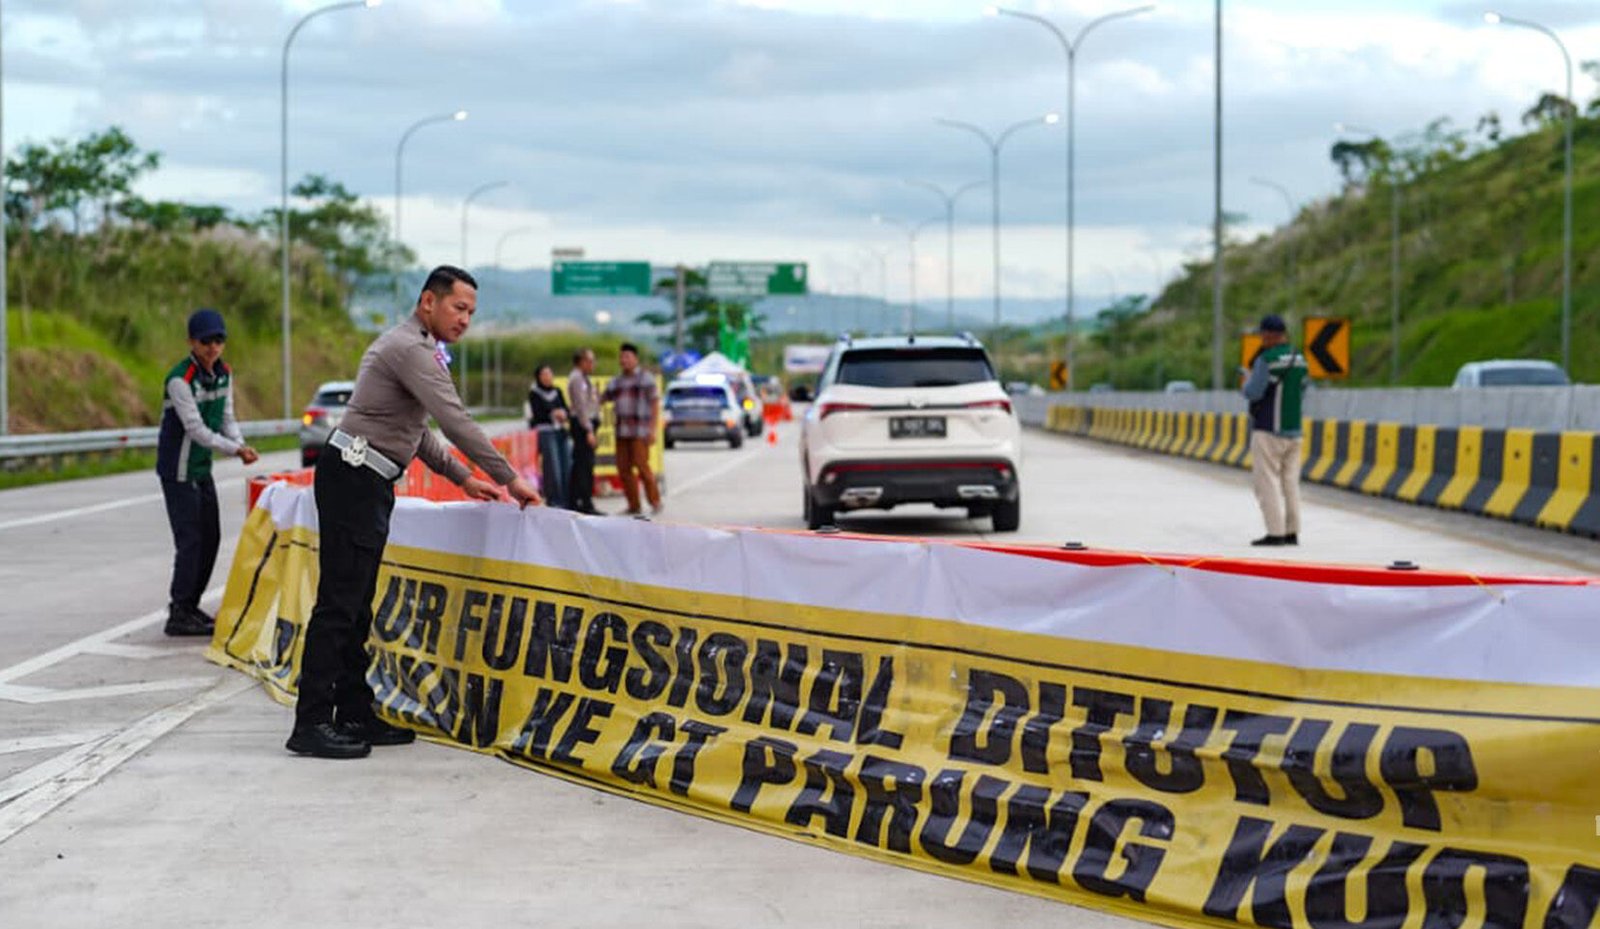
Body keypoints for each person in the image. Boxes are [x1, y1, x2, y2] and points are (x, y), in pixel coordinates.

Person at [287, 265, 542, 760]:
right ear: (429, 302)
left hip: (368, 481)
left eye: (471, 312)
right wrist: (510, 478)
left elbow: (417, 430)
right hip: (353, 478)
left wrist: (462, 477)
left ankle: (354, 711)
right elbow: (455, 420)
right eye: (458, 307)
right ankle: (311, 721)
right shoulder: (410, 349)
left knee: (359, 604)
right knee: (340, 604)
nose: (465, 319)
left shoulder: (419, 349)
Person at [156, 309, 260, 637]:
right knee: (191, 541)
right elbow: (196, 429)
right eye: (205, 341)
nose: (213, 347)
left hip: (202, 468)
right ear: (191, 342)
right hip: (179, 470)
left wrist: (240, 444)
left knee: (211, 538)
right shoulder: (180, 380)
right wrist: (234, 450)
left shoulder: (224, 374)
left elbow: (227, 418)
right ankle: (179, 610)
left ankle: (191, 606)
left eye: (218, 340)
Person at [1242, 314, 1308, 547]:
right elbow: (1303, 389)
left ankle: (1275, 532)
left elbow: (1253, 392)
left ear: (1270, 335)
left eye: (1262, 334)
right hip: (1294, 430)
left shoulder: (1266, 359)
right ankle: (1292, 531)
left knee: (1266, 481)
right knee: (1290, 483)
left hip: (1268, 429)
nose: (1261, 338)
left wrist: (1246, 381)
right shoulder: (1300, 358)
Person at [600, 342, 661, 515]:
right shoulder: (616, 381)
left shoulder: (646, 378)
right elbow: (603, 398)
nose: (623, 360)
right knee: (623, 469)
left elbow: (655, 403)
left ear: (635, 359)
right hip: (621, 431)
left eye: (627, 356)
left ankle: (655, 501)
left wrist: (652, 429)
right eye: (621, 357)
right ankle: (634, 505)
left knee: (642, 467)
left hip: (640, 431)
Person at [527, 364, 572, 509]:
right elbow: (537, 414)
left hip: (560, 431)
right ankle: (555, 501)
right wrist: (553, 414)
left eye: (549, 374)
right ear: (538, 377)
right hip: (545, 432)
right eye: (544, 374)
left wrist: (564, 414)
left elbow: (565, 408)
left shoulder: (557, 391)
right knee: (553, 468)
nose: (547, 377)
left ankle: (567, 500)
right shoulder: (535, 393)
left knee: (566, 465)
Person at [565, 347, 601, 515]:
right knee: (584, 465)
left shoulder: (584, 378)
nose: (593, 364)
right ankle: (584, 503)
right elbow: (580, 407)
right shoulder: (577, 379)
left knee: (583, 463)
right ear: (582, 362)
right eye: (590, 361)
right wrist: (588, 430)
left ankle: (577, 501)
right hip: (582, 426)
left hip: (585, 424)